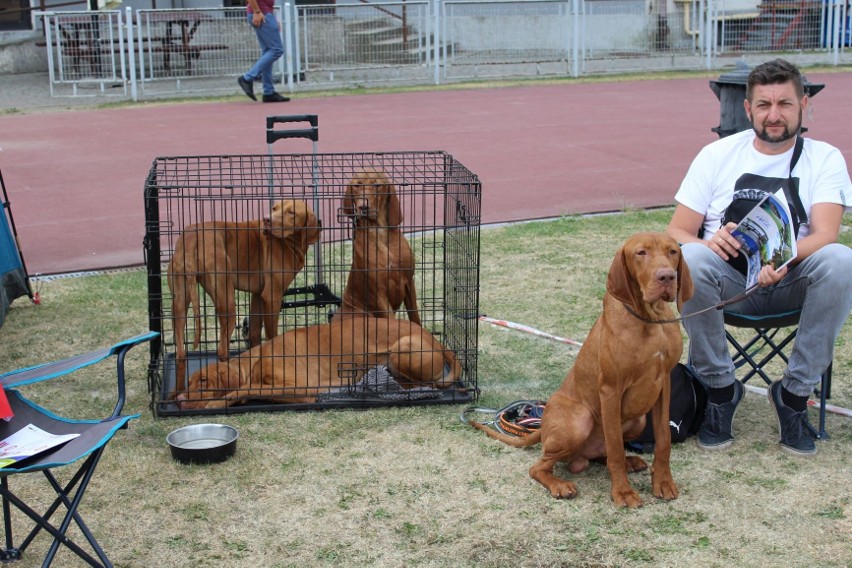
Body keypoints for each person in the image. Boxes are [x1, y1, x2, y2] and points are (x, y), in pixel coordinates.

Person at [666, 58, 852, 457]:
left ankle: (794, 396)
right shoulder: (716, 155)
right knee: (690, 258)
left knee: (841, 259)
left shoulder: (825, 158)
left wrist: (782, 260)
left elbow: (825, 234)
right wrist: (709, 241)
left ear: (804, 105)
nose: (774, 114)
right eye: (764, 104)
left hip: (792, 283)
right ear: (748, 109)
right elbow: (676, 231)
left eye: (784, 103)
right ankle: (719, 390)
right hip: (728, 284)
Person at [236, 0, 290, 103]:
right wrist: (257, 12)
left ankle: (268, 92)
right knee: (276, 50)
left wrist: (271, 16)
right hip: (261, 13)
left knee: (268, 52)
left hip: (264, 13)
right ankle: (247, 78)